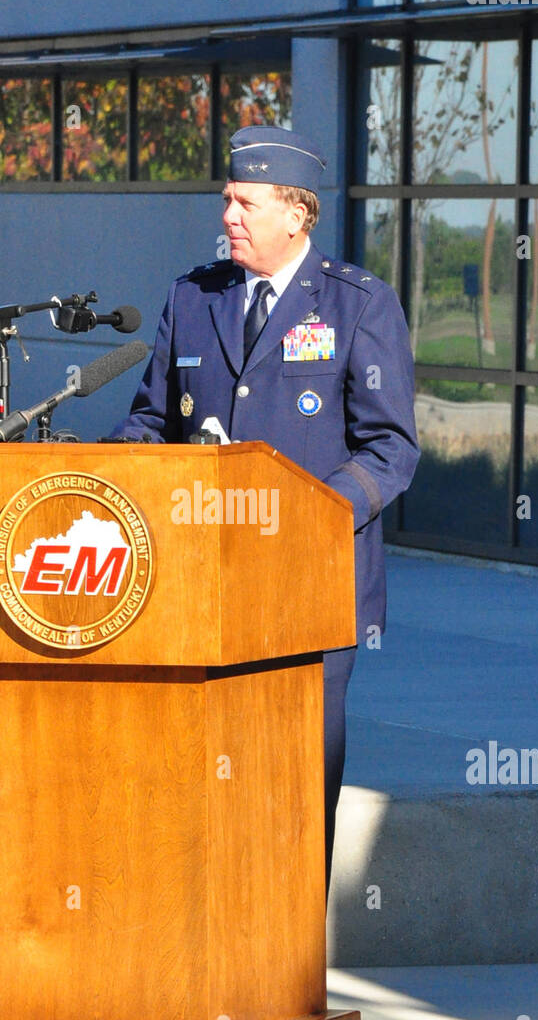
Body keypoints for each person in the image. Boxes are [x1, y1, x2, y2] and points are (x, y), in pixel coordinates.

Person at [109, 125, 420, 894]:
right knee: (202, 790)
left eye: (245, 202)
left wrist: (304, 514)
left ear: (297, 213)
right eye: (227, 201)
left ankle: (287, 975)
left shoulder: (358, 305)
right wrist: (108, 475)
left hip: (306, 592)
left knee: (292, 788)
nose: (230, 216)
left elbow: (390, 451)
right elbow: (152, 422)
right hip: (198, 591)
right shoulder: (194, 296)